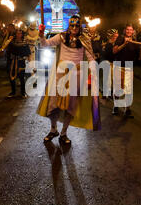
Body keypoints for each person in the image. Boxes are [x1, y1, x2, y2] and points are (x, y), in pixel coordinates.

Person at [37, 15, 101, 145]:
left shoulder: (84, 40)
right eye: (72, 25)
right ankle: (53, 129)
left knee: (71, 106)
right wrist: (41, 35)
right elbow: (45, 44)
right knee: (53, 104)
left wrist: (92, 74)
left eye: (77, 26)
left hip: (77, 76)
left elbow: (91, 59)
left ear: (80, 27)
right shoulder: (61, 36)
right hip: (60, 74)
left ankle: (64, 133)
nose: (74, 28)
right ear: (69, 25)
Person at [112, 24, 141, 117]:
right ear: (125, 30)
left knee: (128, 90)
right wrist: (124, 44)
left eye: (131, 30)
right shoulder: (120, 39)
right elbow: (114, 51)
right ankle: (115, 106)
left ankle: (127, 109)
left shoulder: (135, 42)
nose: (129, 31)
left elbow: (140, 58)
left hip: (129, 67)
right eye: (127, 29)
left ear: (133, 31)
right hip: (119, 66)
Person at [6, 28, 31, 98]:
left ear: (22, 34)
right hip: (13, 62)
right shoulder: (11, 42)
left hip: (21, 62)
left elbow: (28, 53)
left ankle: (23, 92)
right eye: (17, 33)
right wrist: (8, 40)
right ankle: (13, 92)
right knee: (12, 77)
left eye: (20, 33)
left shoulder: (25, 42)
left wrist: (30, 62)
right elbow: (5, 48)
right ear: (15, 34)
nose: (19, 35)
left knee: (22, 78)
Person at [102, 29, 118, 101]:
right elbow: (107, 54)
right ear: (110, 36)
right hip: (108, 63)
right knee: (107, 79)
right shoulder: (108, 44)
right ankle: (105, 94)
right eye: (114, 36)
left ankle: (111, 93)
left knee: (113, 80)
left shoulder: (116, 43)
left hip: (114, 63)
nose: (116, 37)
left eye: (116, 35)